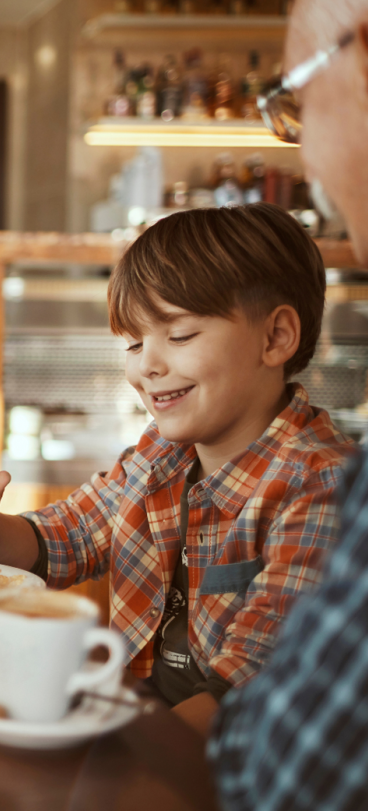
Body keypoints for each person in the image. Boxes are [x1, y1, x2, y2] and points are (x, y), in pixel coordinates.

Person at [0, 203, 354, 737]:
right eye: (134, 343)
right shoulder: (158, 459)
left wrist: (103, 758)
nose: (146, 365)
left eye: (179, 335)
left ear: (276, 337)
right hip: (141, 731)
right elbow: (58, 542)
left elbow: (247, 696)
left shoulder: (321, 487)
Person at [208, 1, 368, 807]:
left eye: (297, 102)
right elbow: (70, 532)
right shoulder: (158, 457)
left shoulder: (313, 479)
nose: (302, 154)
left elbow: (285, 771)